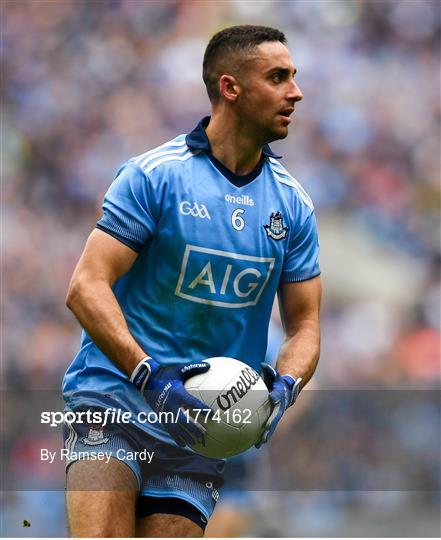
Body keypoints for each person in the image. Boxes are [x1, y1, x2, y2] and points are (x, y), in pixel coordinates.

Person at [62, 24, 322, 538]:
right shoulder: (154, 175)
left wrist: (285, 386)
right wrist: (150, 377)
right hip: (116, 402)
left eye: (293, 77)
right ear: (231, 88)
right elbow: (85, 287)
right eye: (278, 77)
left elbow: (306, 325)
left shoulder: (293, 206)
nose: (296, 92)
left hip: (202, 430)